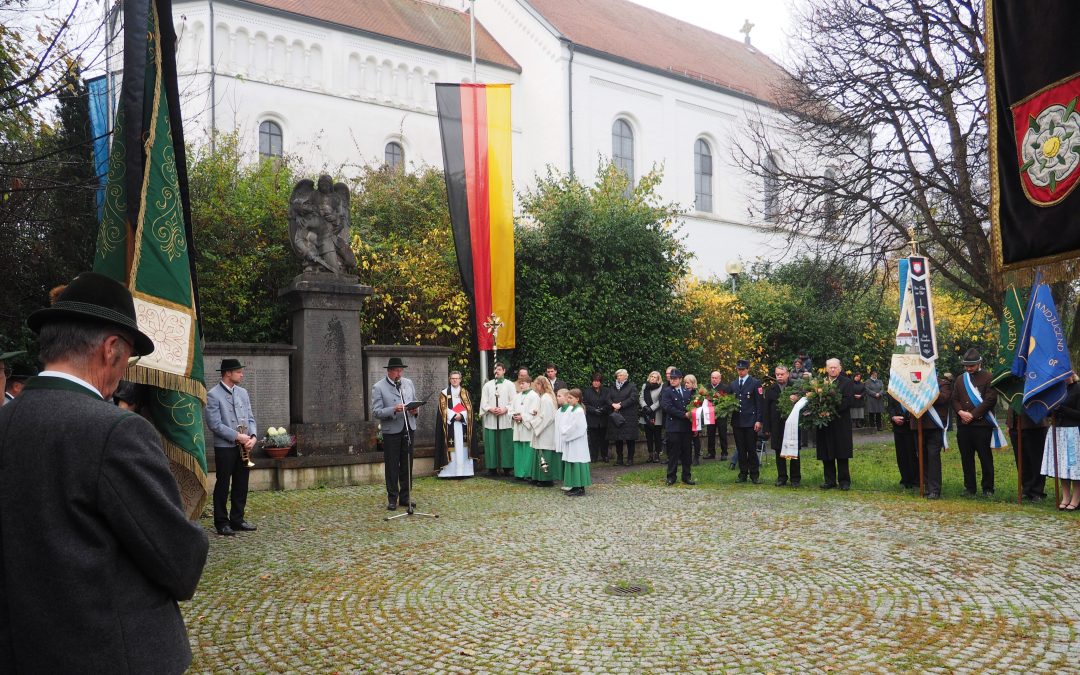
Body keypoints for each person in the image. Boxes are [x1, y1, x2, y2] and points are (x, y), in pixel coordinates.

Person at [0, 271, 207, 672]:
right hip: (111, 655)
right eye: (128, 358)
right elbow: (179, 561)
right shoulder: (115, 432)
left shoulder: (6, 422)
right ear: (111, 349)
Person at [205, 358, 259, 535]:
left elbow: (250, 417)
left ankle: (237, 519)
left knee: (241, 483)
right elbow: (214, 424)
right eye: (238, 371)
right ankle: (221, 522)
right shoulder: (213, 394)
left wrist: (252, 437)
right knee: (223, 484)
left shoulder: (242, 392)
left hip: (244, 446)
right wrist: (237, 436)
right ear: (228, 373)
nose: (241, 374)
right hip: (225, 447)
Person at [370, 356, 420, 510]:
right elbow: (376, 412)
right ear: (389, 371)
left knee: (407, 463)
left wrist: (415, 410)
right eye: (397, 371)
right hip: (391, 431)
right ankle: (392, 498)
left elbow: (415, 401)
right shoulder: (378, 387)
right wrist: (393, 409)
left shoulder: (408, 383)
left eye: (401, 370)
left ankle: (405, 497)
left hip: (408, 427)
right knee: (392, 465)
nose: (400, 374)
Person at [952, 348, 1001, 497]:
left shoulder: (989, 377)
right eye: (966, 365)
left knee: (985, 458)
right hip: (964, 426)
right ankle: (969, 488)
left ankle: (988, 488)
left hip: (981, 425)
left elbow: (990, 400)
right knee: (966, 458)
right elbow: (954, 399)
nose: (968, 368)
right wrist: (960, 412)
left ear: (979, 363)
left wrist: (972, 415)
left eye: (971, 365)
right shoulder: (961, 379)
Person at [1042, 375, 1080, 510]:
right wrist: (1050, 409)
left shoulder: (1077, 388)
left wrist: (1062, 409)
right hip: (1058, 431)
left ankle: (1076, 498)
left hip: (1073, 432)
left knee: (1074, 467)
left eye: (1067, 374)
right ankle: (1066, 497)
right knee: (1062, 466)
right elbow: (1046, 413)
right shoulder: (1056, 390)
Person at [817, 358, 855, 490]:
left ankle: (844, 481)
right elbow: (815, 400)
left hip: (840, 422)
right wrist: (820, 411)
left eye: (835, 367)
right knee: (826, 452)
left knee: (841, 452)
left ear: (840, 368)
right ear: (826, 369)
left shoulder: (847, 382)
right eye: (830, 367)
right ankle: (829, 480)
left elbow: (848, 401)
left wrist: (830, 411)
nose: (832, 369)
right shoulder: (820, 383)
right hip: (824, 423)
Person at [764, 364, 801, 487]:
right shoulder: (771, 390)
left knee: (793, 451)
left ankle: (795, 478)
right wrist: (767, 428)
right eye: (777, 374)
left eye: (782, 374)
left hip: (793, 425)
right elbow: (767, 411)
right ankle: (782, 477)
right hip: (776, 426)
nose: (779, 376)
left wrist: (797, 398)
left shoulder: (795, 388)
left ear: (787, 374)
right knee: (779, 451)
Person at [730, 359, 764, 484]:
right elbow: (728, 400)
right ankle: (743, 473)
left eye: (743, 369)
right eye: (738, 369)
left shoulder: (755, 383)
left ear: (747, 369)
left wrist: (759, 420)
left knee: (751, 448)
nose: (740, 372)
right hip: (737, 421)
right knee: (741, 449)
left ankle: (754, 474)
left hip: (750, 421)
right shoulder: (733, 384)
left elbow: (759, 403)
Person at [436, 370, 474, 479]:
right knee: (451, 448)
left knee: (463, 447)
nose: (455, 380)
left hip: (462, 426)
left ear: (460, 380)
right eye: (453, 378)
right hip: (450, 425)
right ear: (449, 379)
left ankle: (464, 472)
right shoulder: (444, 393)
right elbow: (442, 410)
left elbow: (470, 410)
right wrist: (453, 415)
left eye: (457, 378)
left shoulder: (465, 393)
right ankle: (449, 472)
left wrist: (461, 415)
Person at [480, 362, 516, 476]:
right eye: (495, 369)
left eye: (499, 369)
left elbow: (513, 401)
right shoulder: (488, 385)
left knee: (506, 444)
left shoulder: (510, 385)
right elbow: (483, 402)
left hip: (505, 419)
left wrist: (505, 409)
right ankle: (492, 467)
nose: (497, 371)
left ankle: (507, 467)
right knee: (492, 444)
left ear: (504, 371)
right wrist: (490, 409)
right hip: (492, 419)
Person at [661, 369, 695, 486]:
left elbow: (692, 408)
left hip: (686, 427)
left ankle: (686, 476)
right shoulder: (667, 391)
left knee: (687, 453)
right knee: (673, 453)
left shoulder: (687, 392)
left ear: (680, 379)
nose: (673, 380)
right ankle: (671, 476)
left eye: (675, 378)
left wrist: (694, 423)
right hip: (673, 427)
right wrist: (684, 415)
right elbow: (667, 407)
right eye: (671, 378)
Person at [1008, 408, 1048, 502]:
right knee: (1021, 460)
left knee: (1036, 460)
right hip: (1015, 425)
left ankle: (1037, 491)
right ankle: (1026, 488)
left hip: (1034, 424)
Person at [527, 376, 560, 486]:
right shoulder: (544, 397)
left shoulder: (546, 398)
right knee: (539, 453)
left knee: (545, 455)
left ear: (541, 385)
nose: (535, 387)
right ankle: (538, 477)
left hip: (545, 431)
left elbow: (547, 417)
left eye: (537, 384)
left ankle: (546, 479)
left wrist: (534, 424)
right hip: (543, 430)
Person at [559, 388, 592, 496]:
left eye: (570, 398)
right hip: (571, 440)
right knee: (571, 461)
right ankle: (574, 485)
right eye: (568, 397)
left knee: (577, 461)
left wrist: (566, 432)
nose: (568, 400)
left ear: (577, 399)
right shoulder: (572, 409)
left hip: (577, 441)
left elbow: (578, 428)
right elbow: (567, 423)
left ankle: (580, 487)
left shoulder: (579, 411)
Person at [510, 374, 540, 480]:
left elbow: (534, 412)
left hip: (527, 427)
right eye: (520, 383)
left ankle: (528, 473)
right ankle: (519, 472)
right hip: (518, 427)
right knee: (518, 449)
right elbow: (511, 408)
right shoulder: (517, 396)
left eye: (523, 383)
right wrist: (513, 416)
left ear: (529, 383)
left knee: (527, 450)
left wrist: (522, 417)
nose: (521, 386)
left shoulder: (534, 396)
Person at [608, 368, 639, 465]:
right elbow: (607, 398)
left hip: (629, 416)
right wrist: (613, 404)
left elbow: (633, 398)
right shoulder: (613, 387)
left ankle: (630, 459)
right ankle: (619, 459)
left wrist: (621, 405)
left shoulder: (632, 386)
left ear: (626, 376)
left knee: (630, 439)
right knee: (618, 439)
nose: (618, 377)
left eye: (620, 375)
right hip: (616, 416)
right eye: (617, 375)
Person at [886, 392, 916, 489]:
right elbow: (890, 406)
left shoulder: (912, 387)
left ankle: (915, 480)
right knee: (901, 454)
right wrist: (893, 417)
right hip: (898, 427)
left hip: (911, 426)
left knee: (912, 453)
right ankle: (905, 479)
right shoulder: (894, 387)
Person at [582, 372, 611, 462]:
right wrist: (594, 410)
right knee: (593, 440)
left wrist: (602, 409)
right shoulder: (587, 391)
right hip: (592, 419)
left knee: (604, 439)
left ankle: (605, 456)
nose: (596, 383)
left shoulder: (606, 391)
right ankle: (593, 457)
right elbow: (585, 404)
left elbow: (609, 402)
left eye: (598, 381)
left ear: (600, 382)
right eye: (594, 381)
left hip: (603, 418)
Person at [706, 370, 731, 460]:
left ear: (720, 379)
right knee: (710, 433)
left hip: (721, 415)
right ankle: (711, 453)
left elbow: (728, 401)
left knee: (722, 433)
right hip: (710, 414)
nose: (714, 379)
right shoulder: (707, 388)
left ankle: (724, 453)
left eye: (716, 378)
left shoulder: (725, 388)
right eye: (712, 378)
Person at [639, 371, 664, 463]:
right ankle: (650, 454)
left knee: (657, 436)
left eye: (655, 377)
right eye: (652, 376)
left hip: (657, 414)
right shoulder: (644, 386)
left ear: (658, 379)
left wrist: (652, 408)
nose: (653, 378)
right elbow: (641, 398)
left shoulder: (661, 386)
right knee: (648, 436)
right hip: (646, 414)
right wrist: (645, 407)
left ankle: (657, 454)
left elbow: (661, 400)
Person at [684, 374, 703, 465]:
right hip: (686, 418)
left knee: (696, 438)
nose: (686, 384)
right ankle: (687, 457)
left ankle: (696, 457)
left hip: (696, 418)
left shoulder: (697, 393)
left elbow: (699, 406)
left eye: (688, 383)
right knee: (687, 439)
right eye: (685, 383)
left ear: (693, 383)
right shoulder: (683, 391)